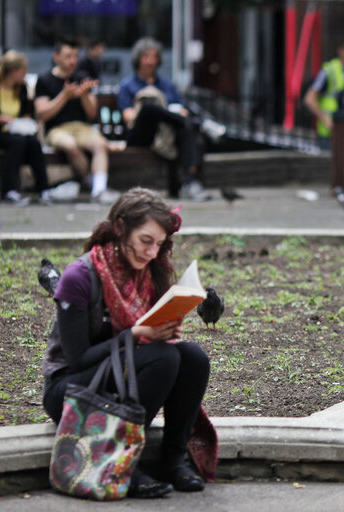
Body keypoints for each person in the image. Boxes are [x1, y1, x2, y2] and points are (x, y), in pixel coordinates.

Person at [42, 187, 213, 499]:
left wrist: (163, 327)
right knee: (164, 358)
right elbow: (79, 359)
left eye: (158, 244)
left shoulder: (149, 272)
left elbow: (142, 344)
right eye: (145, 241)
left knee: (192, 357)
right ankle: (122, 460)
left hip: (120, 374)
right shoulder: (79, 276)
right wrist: (135, 335)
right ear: (120, 228)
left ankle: (173, 460)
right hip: (71, 390)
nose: (151, 252)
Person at [117, 37, 211, 201]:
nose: (150, 61)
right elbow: (129, 117)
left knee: (185, 126)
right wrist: (163, 112)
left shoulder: (167, 84)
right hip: (143, 134)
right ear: (138, 59)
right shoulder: (127, 85)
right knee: (149, 107)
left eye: (154, 57)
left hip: (168, 134)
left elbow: (182, 110)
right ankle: (202, 125)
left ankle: (191, 183)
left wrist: (173, 116)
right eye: (146, 57)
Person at [34, 38, 119, 204]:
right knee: (70, 145)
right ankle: (90, 180)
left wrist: (85, 95)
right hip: (57, 129)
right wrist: (64, 96)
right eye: (68, 56)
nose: (73, 61)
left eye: (75, 56)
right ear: (56, 57)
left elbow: (92, 113)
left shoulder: (82, 77)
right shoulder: (44, 79)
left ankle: (99, 190)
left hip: (82, 128)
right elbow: (42, 114)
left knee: (101, 144)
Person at [0, 50, 53, 206]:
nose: (26, 75)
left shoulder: (22, 88)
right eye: (24, 70)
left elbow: (27, 112)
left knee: (33, 142)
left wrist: (25, 119)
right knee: (18, 142)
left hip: (17, 131)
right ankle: (9, 190)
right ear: (14, 71)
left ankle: (43, 189)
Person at [303, 38, 344, 150]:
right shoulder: (329, 70)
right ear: (341, 51)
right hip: (330, 133)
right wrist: (326, 120)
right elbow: (309, 99)